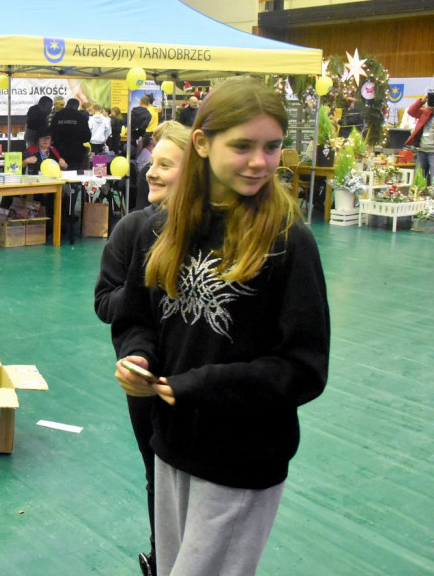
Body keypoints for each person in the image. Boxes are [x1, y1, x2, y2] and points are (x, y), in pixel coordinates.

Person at [111, 76, 330, 576]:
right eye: (243, 146)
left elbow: (303, 368)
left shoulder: (288, 243)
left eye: (272, 147)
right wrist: (138, 356)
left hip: (242, 459)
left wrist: (199, 385)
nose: (260, 161)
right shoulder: (159, 230)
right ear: (204, 144)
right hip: (171, 447)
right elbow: (136, 318)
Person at [94, 121, 191, 576]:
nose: (151, 173)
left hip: (194, 379)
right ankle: (162, 555)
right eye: (152, 163)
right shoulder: (132, 230)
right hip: (145, 380)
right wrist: (142, 287)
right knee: (158, 472)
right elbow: (106, 302)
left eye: (166, 166)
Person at [51, 98, 92, 169]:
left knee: (60, 175)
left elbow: (51, 134)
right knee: (75, 175)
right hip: (76, 152)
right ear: (77, 106)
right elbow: (87, 137)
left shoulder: (57, 116)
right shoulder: (81, 118)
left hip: (59, 152)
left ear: (67, 105)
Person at [405, 87, 434, 183]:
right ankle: (418, 195)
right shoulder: (425, 112)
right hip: (422, 150)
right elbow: (411, 111)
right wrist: (422, 101)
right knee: (419, 177)